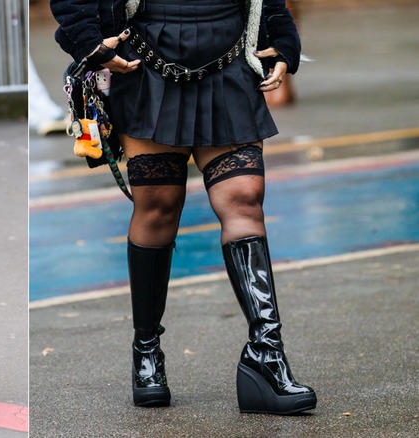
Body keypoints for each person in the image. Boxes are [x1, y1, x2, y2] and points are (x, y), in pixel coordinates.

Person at [50, 0, 316, 414]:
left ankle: (266, 355)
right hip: (146, 58)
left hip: (229, 54)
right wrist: (88, 42)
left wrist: (282, 40)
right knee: (158, 206)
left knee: (244, 197)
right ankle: (147, 351)